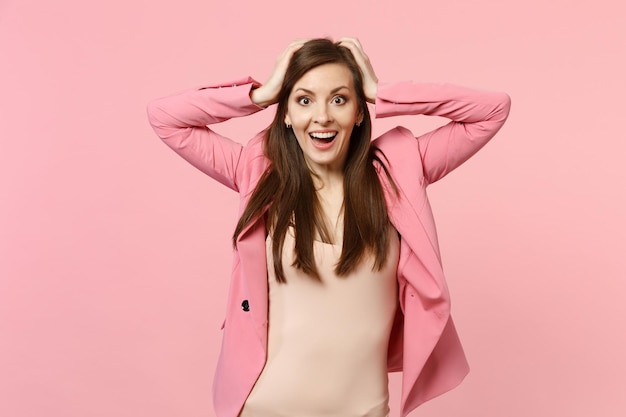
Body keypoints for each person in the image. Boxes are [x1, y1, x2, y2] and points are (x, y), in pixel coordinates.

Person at [147, 37, 511, 417]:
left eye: (339, 99)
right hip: (265, 407)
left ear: (358, 111)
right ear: (285, 113)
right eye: (304, 100)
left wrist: (379, 90)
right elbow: (164, 117)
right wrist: (260, 93)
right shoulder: (257, 174)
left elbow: (492, 111)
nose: (322, 116)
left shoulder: (399, 172)